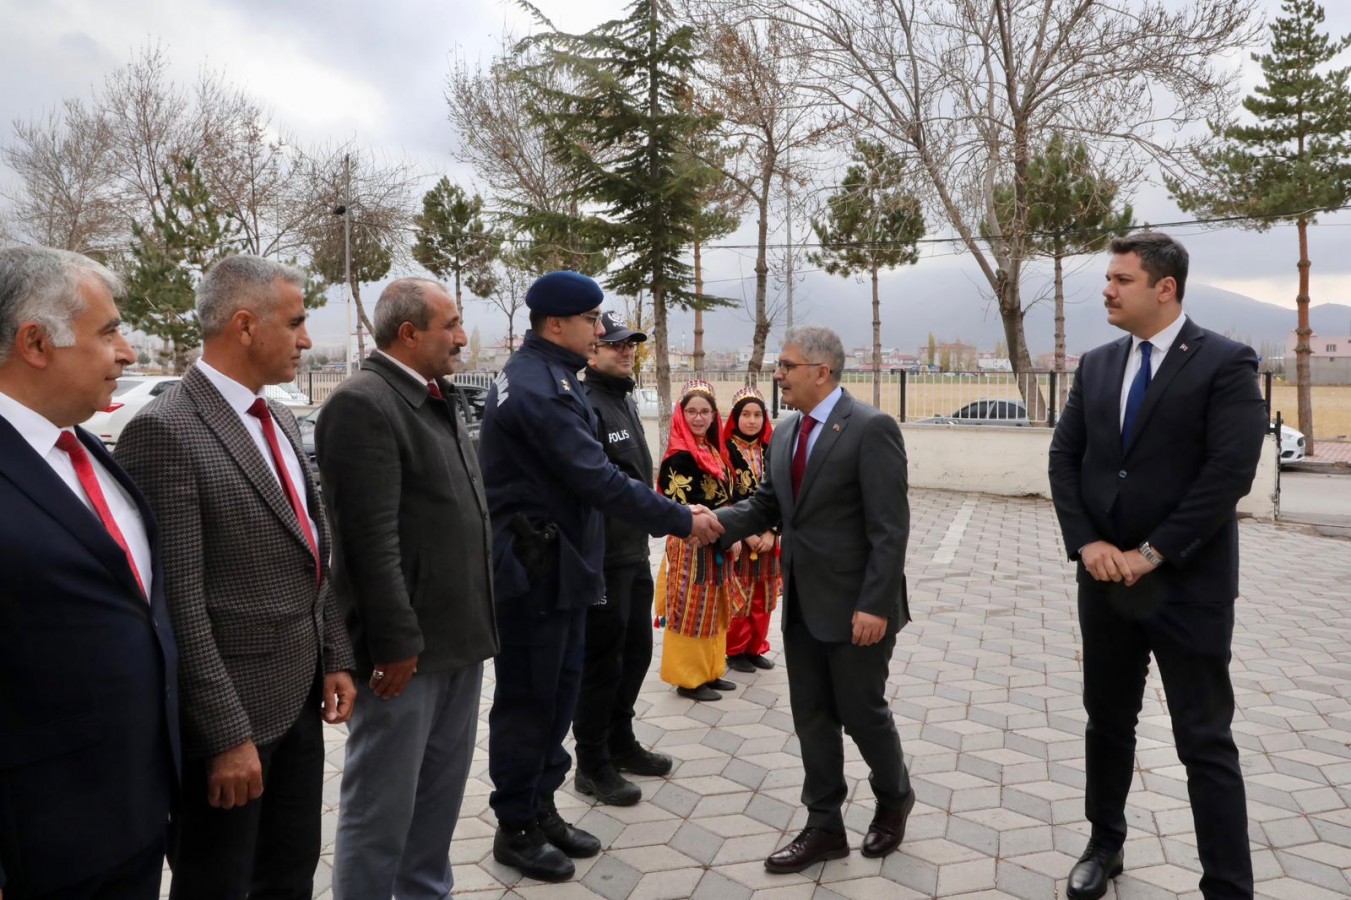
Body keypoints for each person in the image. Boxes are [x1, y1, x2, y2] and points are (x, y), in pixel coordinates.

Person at [116, 255, 357, 900]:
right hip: (232, 723)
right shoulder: (165, 430)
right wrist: (224, 736)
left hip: (298, 697)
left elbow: (312, 549)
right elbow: (179, 604)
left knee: (290, 871)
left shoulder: (273, 417)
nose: (307, 339)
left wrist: (334, 651)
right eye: (298, 322)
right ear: (246, 326)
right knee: (221, 882)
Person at [479, 271, 723, 883]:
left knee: (558, 694)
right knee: (531, 701)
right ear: (556, 324)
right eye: (591, 320)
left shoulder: (551, 375)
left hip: (562, 564)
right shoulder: (541, 388)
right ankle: (516, 826)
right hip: (536, 569)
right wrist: (679, 518)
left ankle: (541, 808)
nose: (599, 329)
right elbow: (595, 476)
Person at [1048, 232, 1267, 900]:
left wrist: (1151, 553)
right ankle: (1103, 844)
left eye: (1120, 279)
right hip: (1106, 583)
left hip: (1186, 586)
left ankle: (1226, 885)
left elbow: (1226, 473)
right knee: (1106, 721)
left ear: (1163, 287)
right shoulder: (1097, 365)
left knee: (1203, 738)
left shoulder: (1225, 363)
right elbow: (1066, 459)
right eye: (1108, 279)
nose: (1106, 290)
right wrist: (1088, 546)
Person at [0, 247, 179, 900]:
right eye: (109, 332)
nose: (128, 353)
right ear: (37, 343)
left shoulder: (86, 449)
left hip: (134, 818)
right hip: (41, 848)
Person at [317, 279, 497, 899]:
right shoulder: (363, 403)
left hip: (457, 641)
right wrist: (396, 643)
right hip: (406, 657)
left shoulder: (435, 396)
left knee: (437, 806)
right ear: (409, 333)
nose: (461, 337)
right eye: (450, 324)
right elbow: (369, 541)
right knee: (381, 810)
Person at [716, 325, 915, 874]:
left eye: (786, 366)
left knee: (862, 712)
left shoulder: (871, 428)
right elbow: (766, 506)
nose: (777, 375)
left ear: (821, 372)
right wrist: (712, 524)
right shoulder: (785, 431)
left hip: (858, 608)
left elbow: (889, 529)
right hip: (802, 602)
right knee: (812, 717)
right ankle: (824, 825)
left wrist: (875, 605)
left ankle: (894, 797)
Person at [571, 312, 674, 807]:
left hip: (633, 553)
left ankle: (621, 742)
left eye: (630, 344)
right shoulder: (586, 403)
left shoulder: (623, 399)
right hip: (603, 559)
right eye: (614, 344)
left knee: (635, 654)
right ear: (591, 352)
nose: (626, 350)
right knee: (602, 662)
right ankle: (591, 762)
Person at [656, 379, 741, 702]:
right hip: (691, 544)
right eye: (691, 411)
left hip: (717, 540)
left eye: (705, 411)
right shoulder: (679, 457)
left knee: (714, 606)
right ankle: (687, 678)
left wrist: (731, 529)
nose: (698, 418)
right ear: (681, 414)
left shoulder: (712, 451)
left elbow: (727, 497)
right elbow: (682, 508)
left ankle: (710, 670)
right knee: (691, 608)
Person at [720, 386, 781, 674]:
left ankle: (756, 646)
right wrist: (746, 532)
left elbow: (784, 494)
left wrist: (771, 532)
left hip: (768, 539)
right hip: (740, 537)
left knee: (764, 594)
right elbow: (727, 496)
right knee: (740, 594)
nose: (752, 421)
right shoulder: (725, 451)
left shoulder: (772, 450)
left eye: (758, 414)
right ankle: (735, 650)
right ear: (735, 417)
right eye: (746, 414)